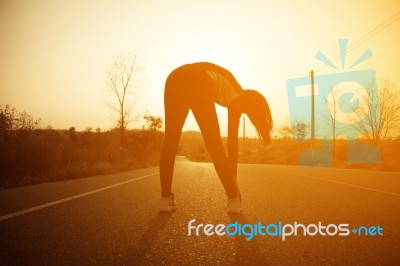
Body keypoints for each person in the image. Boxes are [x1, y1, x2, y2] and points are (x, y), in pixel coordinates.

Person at [159, 62, 273, 213]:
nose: (246, 114)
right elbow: (232, 142)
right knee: (214, 144)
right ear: (252, 105)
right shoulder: (238, 98)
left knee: (170, 141)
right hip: (198, 78)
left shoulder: (234, 88)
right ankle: (233, 200)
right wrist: (234, 185)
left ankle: (165, 199)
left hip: (174, 77)